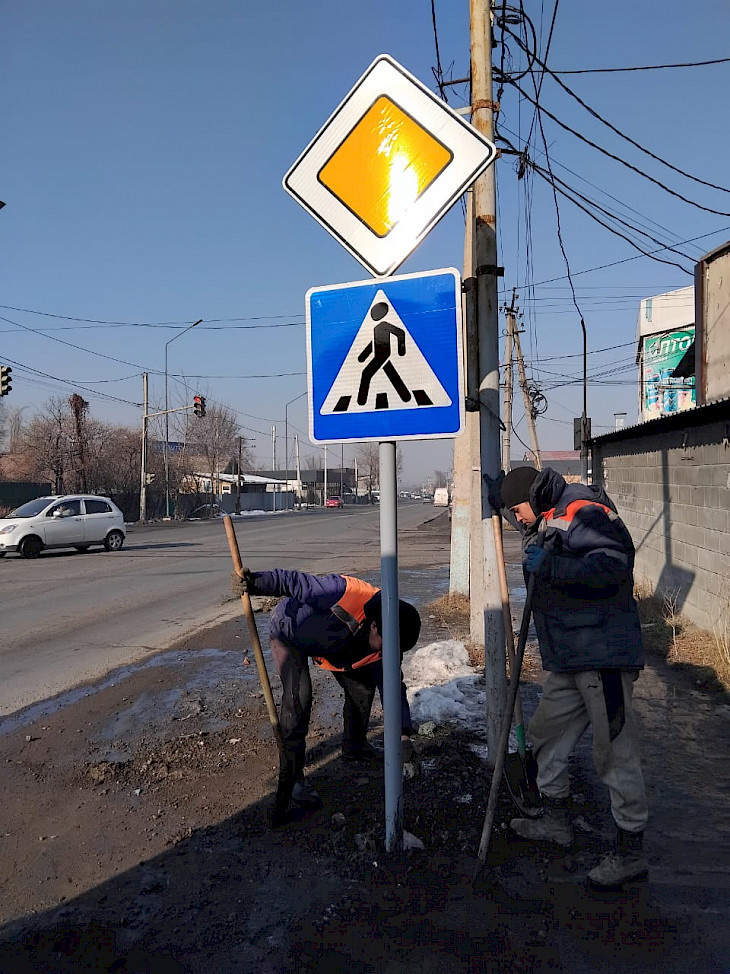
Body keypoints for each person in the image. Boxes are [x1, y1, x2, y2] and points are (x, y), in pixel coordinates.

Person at [496, 465, 649, 888]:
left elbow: (613, 567)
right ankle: (557, 821)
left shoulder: (583, 510)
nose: (516, 518)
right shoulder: (547, 516)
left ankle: (630, 851)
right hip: (571, 657)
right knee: (546, 736)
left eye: (516, 510)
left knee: (614, 752)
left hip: (602, 654)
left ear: (534, 496)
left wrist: (553, 568)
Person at [232, 568, 421, 823]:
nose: (389, 652)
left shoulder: (389, 637)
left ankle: (355, 746)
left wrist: (403, 737)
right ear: (375, 626)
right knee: (298, 702)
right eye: (387, 646)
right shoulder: (343, 592)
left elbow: (393, 690)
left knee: (362, 689)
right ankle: (293, 781)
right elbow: (295, 582)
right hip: (292, 633)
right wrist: (255, 582)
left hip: (338, 650)